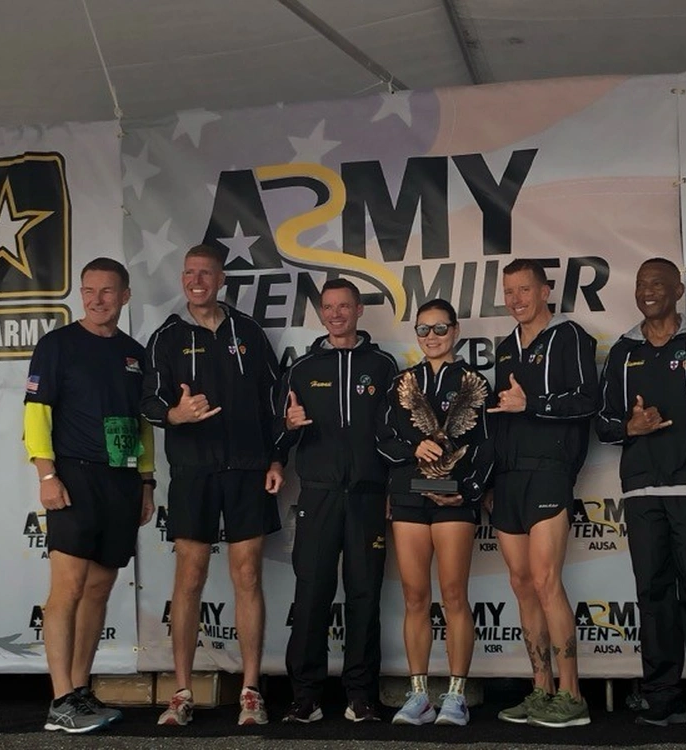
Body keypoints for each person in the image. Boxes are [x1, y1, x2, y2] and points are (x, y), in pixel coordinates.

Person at [141, 244, 284, 727]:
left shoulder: (249, 332)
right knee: (190, 577)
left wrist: (276, 458)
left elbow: (275, 400)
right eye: (188, 273)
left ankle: (249, 691)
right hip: (194, 472)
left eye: (205, 273)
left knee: (247, 578)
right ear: (182, 279)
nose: (196, 280)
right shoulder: (165, 337)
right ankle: (181, 692)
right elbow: (147, 402)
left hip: (247, 469)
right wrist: (174, 415)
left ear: (221, 279)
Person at [595, 257, 686, 727]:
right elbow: (603, 423)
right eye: (641, 284)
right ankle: (662, 696)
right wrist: (631, 427)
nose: (648, 290)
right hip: (641, 494)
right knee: (653, 595)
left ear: (678, 290)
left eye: (658, 283)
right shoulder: (622, 352)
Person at [24, 257, 156, 734]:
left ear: (124, 295)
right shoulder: (57, 345)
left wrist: (146, 481)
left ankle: (79, 690)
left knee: (100, 588)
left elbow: (142, 423)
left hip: (121, 479)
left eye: (107, 291)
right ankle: (59, 699)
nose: (97, 299)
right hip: (74, 477)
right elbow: (36, 411)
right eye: (89, 290)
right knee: (68, 589)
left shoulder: (135, 353)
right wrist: (46, 474)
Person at [277, 278, 399, 723]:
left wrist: (392, 490)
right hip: (319, 496)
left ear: (358, 310)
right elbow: (280, 432)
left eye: (344, 306)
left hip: (368, 497)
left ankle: (360, 695)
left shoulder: (384, 366)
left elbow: (396, 435)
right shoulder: (302, 368)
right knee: (311, 593)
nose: (335, 314)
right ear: (320, 311)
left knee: (365, 595)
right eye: (328, 307)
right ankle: (305, 696)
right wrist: (288, 428)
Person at [489, 258, 598, 728]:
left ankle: (572, 694)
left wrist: (532, 404)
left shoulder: (571, 336)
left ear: (546, 290)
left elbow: (588, 401)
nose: (516, 299)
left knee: (547, 580)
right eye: (509, 291)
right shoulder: (504, 347)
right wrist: (489, 480)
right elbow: (497, 417)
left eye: (524, 290)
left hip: (549, 473)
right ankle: (541, 689)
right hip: (509, 479)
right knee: (521, 584)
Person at [376, 299, 493, 727]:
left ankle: (456, 695)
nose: (431, 337)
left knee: (454, 595)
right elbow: (381, 436)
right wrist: (412, 448)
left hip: (454, 499)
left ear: (456, 331)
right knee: (414, 597)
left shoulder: (474, 381)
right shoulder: (401, 382)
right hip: (408, 496)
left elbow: (486, 446)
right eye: (423, 330)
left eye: (439, 328)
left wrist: (467, 492)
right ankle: (420, 694)